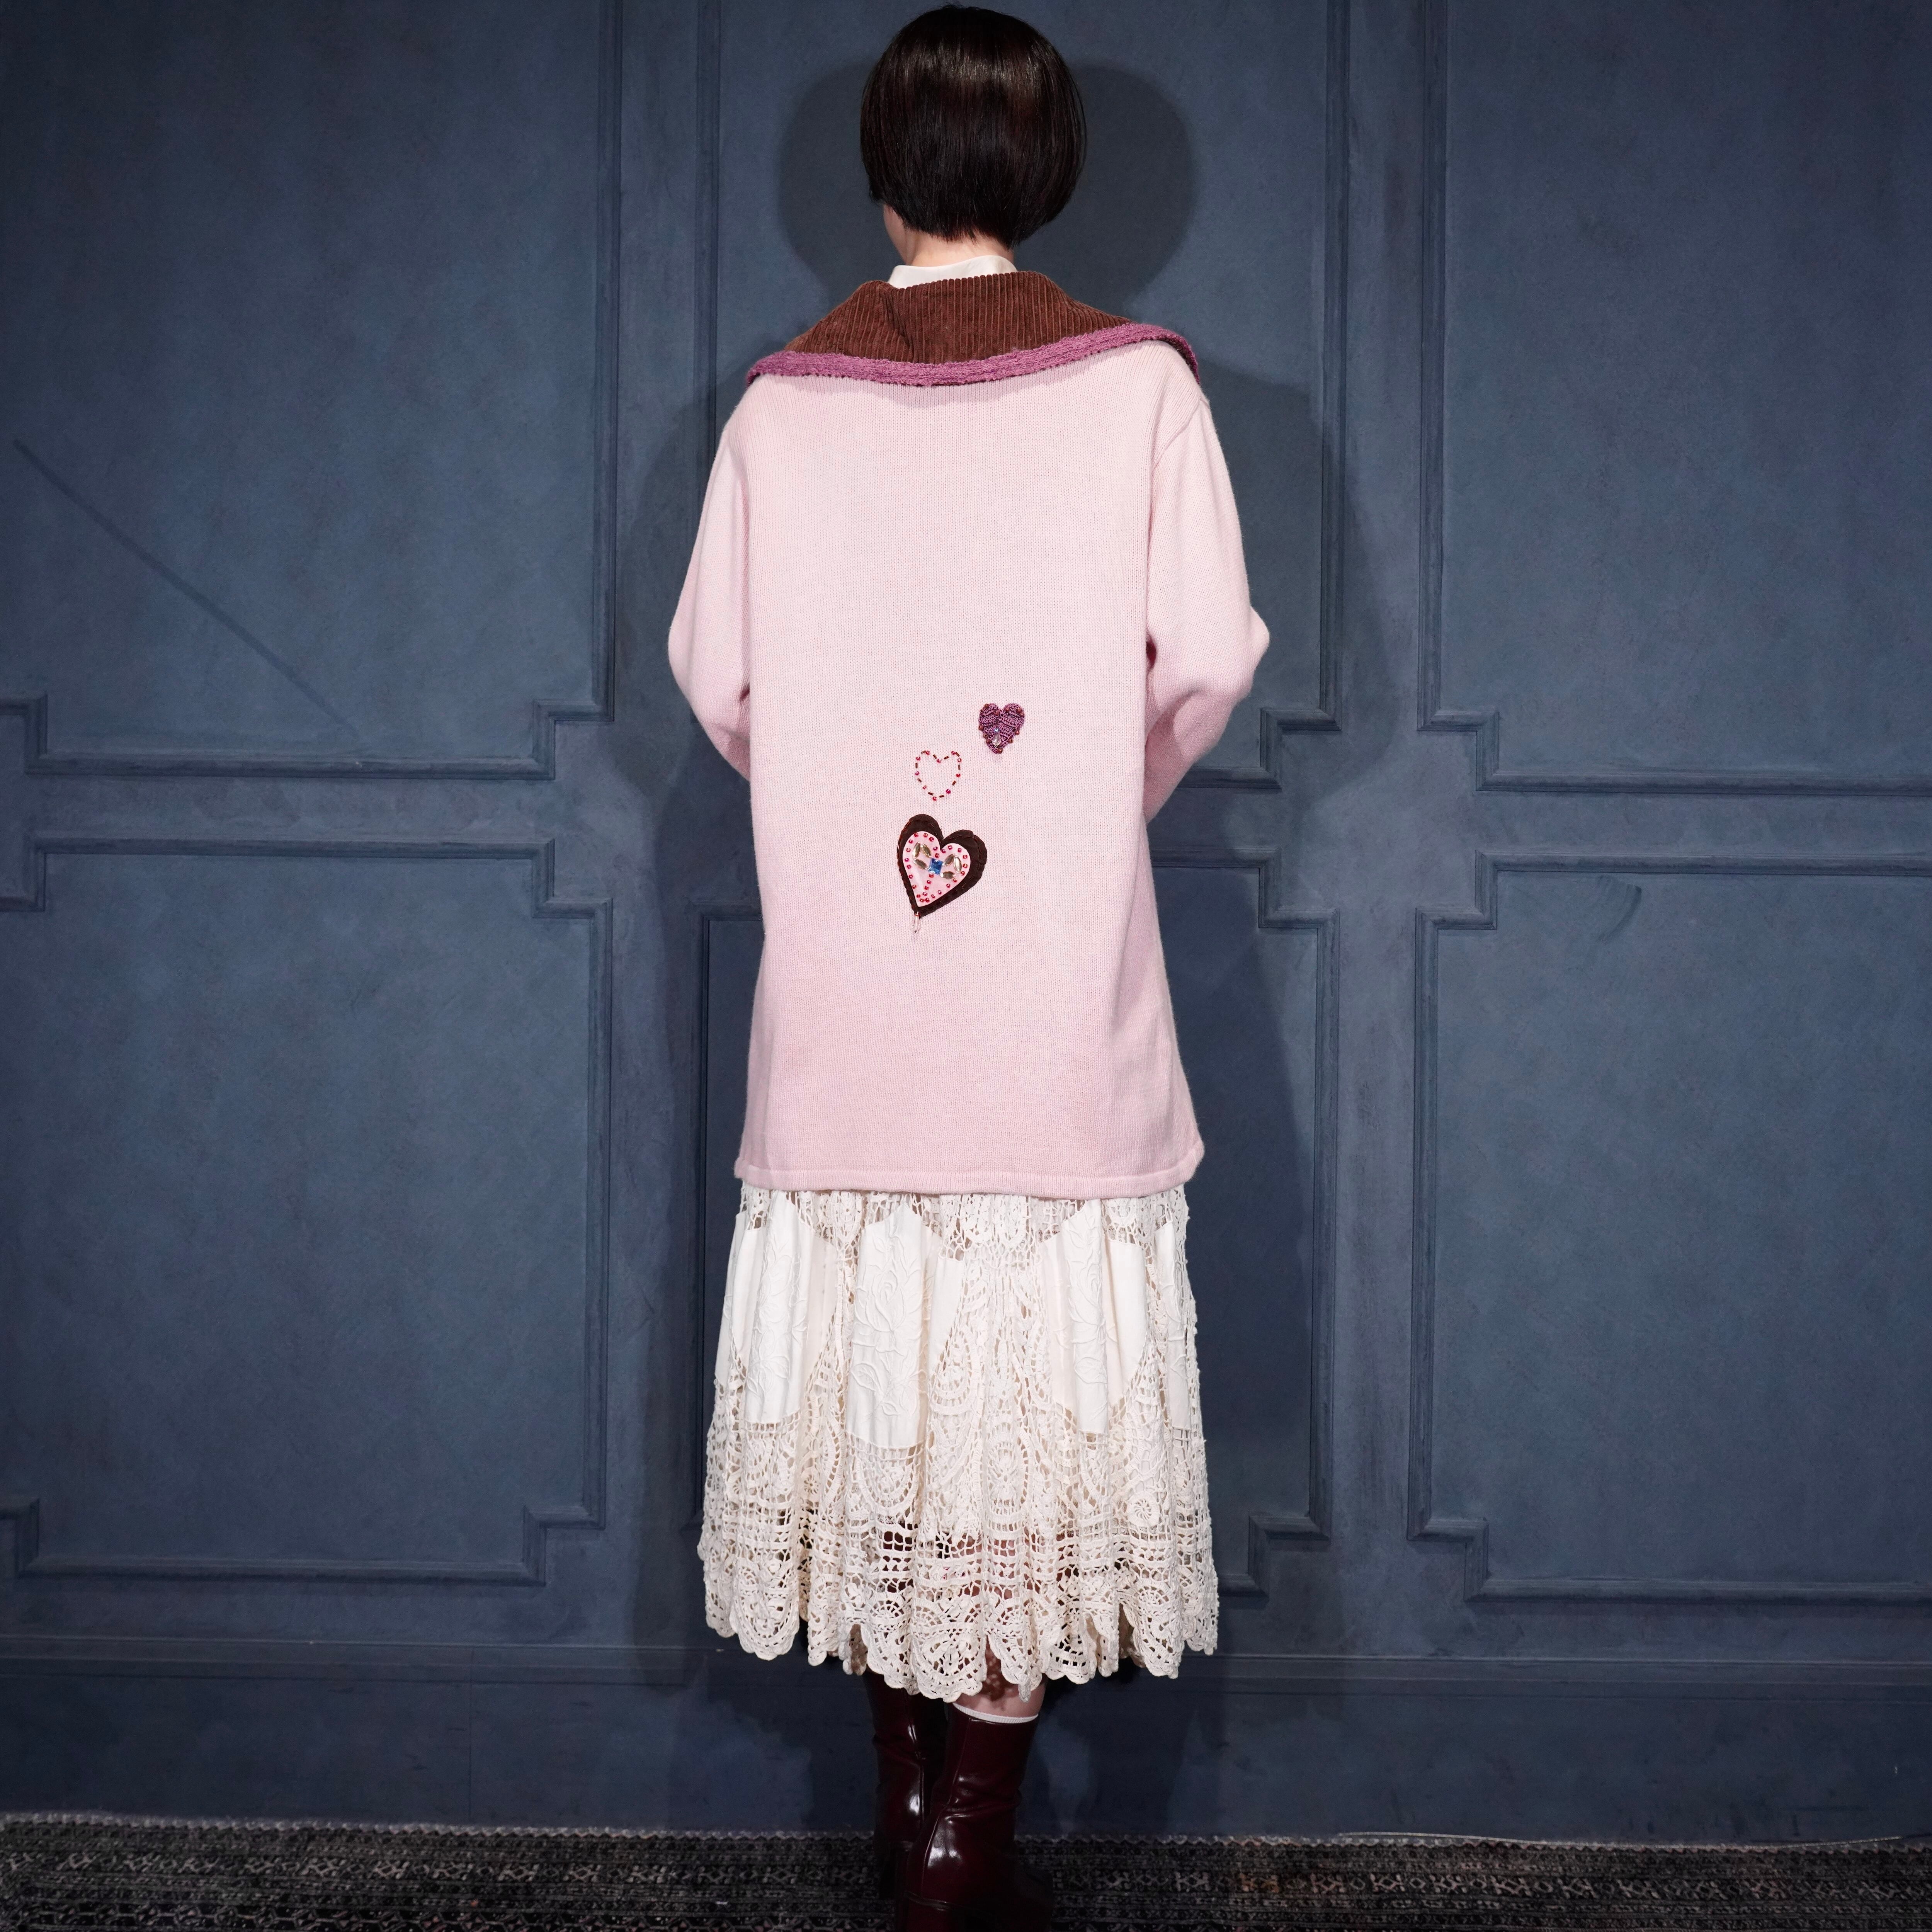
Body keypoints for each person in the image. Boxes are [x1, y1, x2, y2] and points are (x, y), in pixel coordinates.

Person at [668, 8, 1268, 1925]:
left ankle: (907, 1805)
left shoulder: (780, 408)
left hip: (847, 1012)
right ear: (1047, 173)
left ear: (881, 177)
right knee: (1019, 1436)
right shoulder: (1140, 391)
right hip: (1050, 1008)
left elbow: (717, 678)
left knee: (879, 1408)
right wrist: (1089, 799)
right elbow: (1207, 655)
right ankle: (960, 1843)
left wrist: (831, 798)